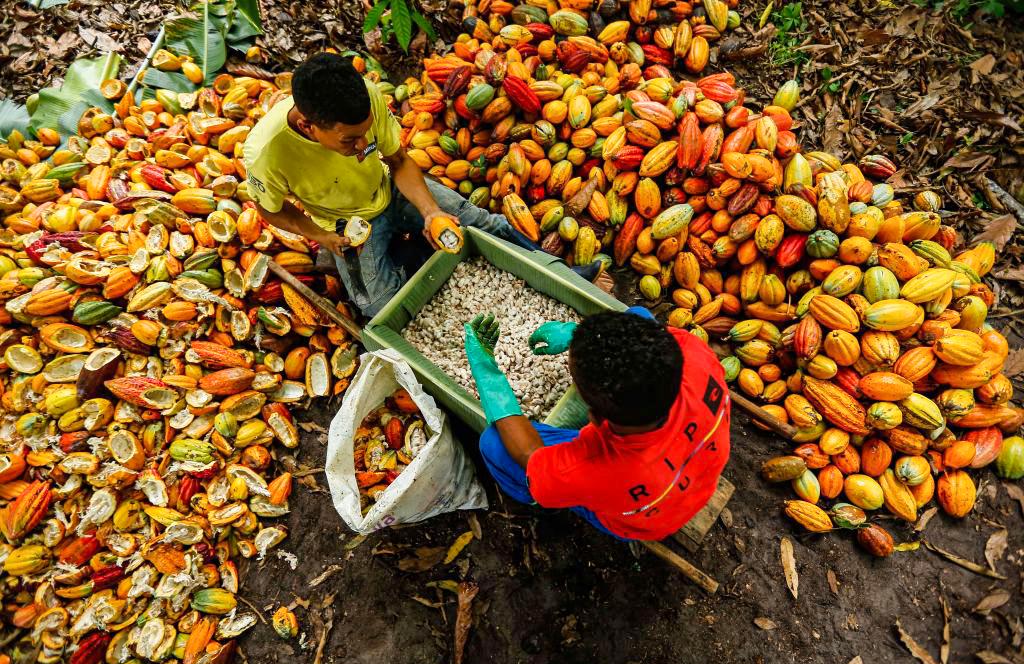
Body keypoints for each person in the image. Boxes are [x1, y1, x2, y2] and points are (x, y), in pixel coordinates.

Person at [242, 52, 606, 317]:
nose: (362, 145)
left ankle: (560, 275)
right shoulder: (266, 152)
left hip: (392, 188)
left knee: (483, 224)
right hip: (347, 224)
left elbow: (399, 162)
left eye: (364, 134)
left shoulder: (364, 98)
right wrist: (319, 235)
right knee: (377, 305)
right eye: (349, 140)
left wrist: (430, 212)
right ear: (308, 126)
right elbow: (270, 209)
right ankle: (415, 261)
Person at [463, 307, 730, 541]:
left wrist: (486, 373)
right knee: (637, 315)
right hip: (697, 478)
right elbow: (641, 329)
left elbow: (528, 454)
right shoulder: (696, 354)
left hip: (640, 521)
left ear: (596, 419)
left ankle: (534, 497)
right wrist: (580, 336)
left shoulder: (595, 468)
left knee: (495, 444)